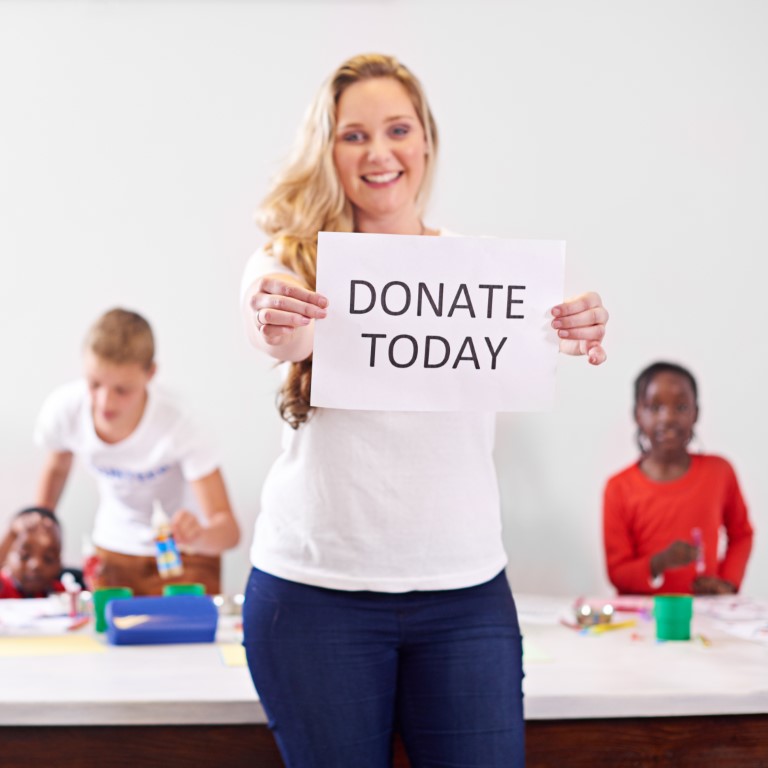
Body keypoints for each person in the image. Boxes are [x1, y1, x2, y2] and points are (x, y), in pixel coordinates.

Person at [240, 53, 608, 767]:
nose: (379, 152)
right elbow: (280, 330)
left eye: (397, 129)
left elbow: (548, 330)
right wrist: (279, 322)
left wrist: (577, 326)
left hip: (464, 596)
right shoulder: (285, 260)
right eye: (353, 135)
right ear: (328, 151)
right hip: (315, 599)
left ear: (427, 142)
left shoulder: (487, 270)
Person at [33, 308, 240, 596]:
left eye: (122, 389)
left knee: (187, 640)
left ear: (150, 373)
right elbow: (57, 468)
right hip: (112, 555)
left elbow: (229, 531)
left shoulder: (181, 422)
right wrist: (40, 521)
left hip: (185, 559)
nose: (105, 402)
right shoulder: (65, 410)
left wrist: (200, 535)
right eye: (94, 384)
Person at [603, 361, 754, 596]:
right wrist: (660, 562)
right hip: (643, 619)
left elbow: (742, 534)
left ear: (697, 413)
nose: (669, 417)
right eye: (655, 407)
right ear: (637, 415)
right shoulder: (618, 488)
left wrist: (727, 583)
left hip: (707, 614)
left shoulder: (720, 472)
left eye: (681, 407)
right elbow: (618, 574)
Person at [0, 507, 64, 598]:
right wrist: (11, 534)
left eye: (48, 558)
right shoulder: (2, 587)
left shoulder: (62, 593)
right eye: (24, 555)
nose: (36, 565)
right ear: (7, 557)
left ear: (60, 563)